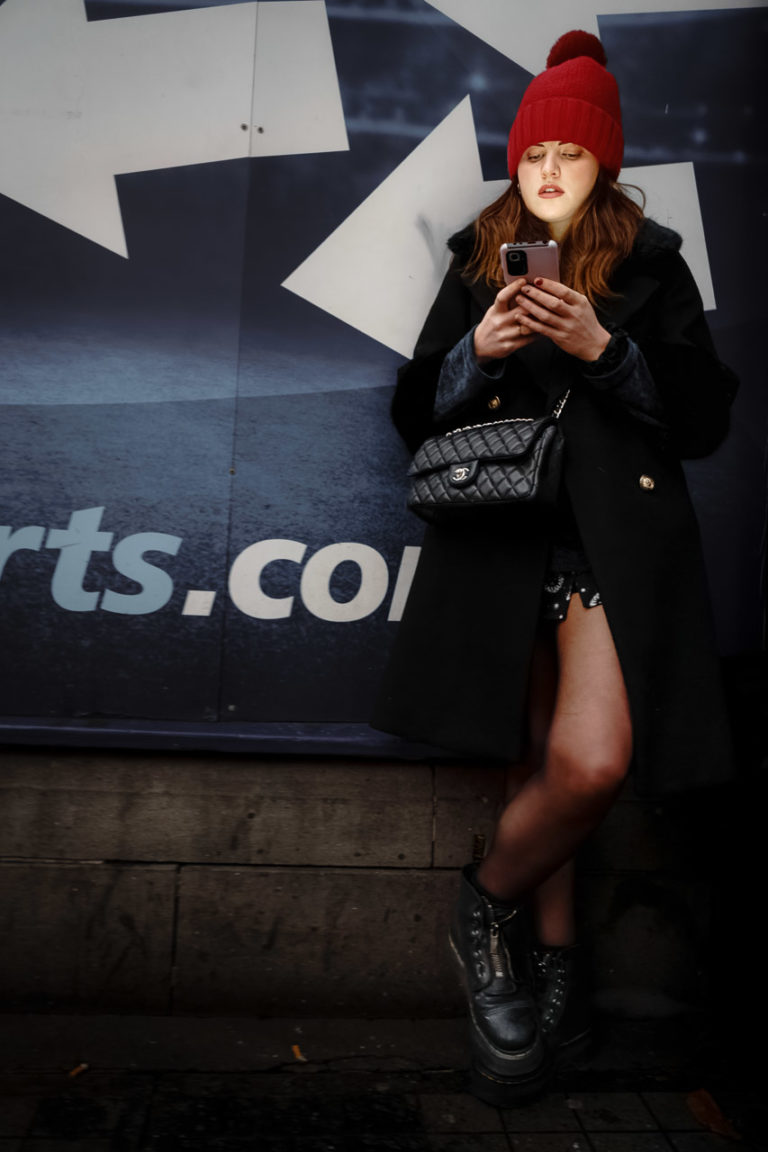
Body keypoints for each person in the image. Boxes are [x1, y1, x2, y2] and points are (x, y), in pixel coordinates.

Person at [372, 30, 738, 1105]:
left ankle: (483, 914)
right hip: (496, 541)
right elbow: (405, 411)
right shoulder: (479, 253)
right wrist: (471, 358)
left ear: (602, 168)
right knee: (540, 764)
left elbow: (706, 420)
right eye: (534, 156)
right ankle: (554, 982)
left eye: (568, 158)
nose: (544, 173)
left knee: (589, 765)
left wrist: (602, 349)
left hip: (604, 550)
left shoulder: (653, 261)